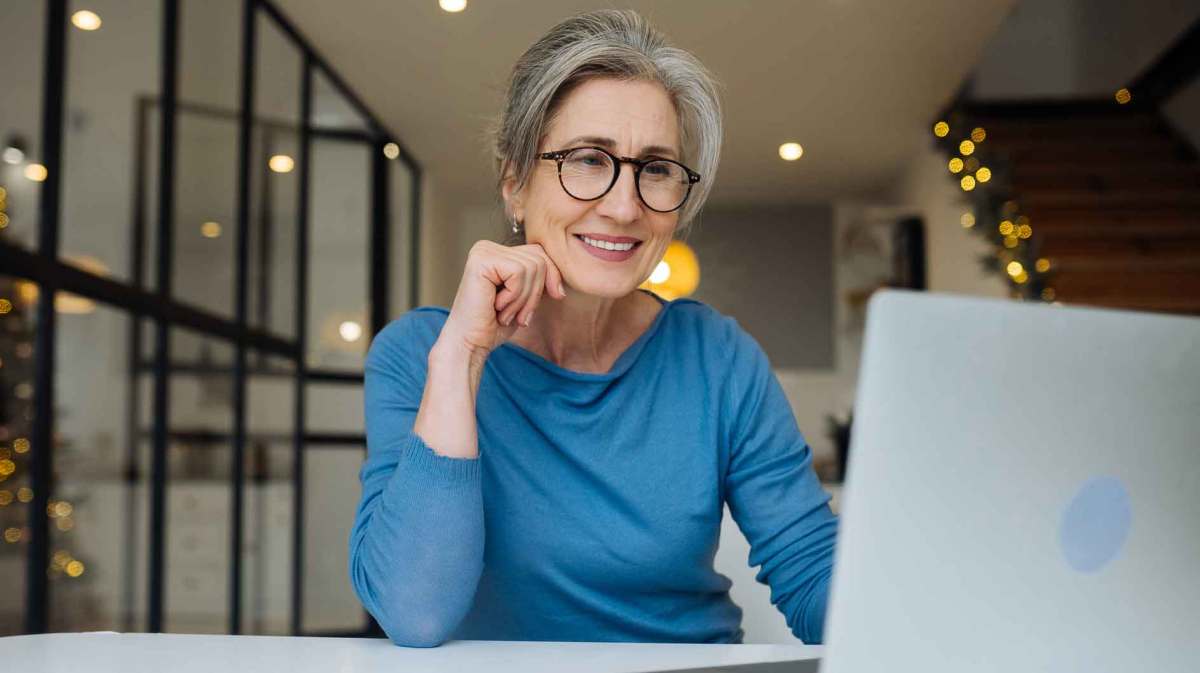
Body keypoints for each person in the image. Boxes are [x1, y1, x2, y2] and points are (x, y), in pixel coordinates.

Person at [348, 9, 837, 648]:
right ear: (515, 185)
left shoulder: (719, 358)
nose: (625, 206)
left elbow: (815, 577)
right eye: (587, 159)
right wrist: (463, 359)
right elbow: (414, 613)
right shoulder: (420, 354)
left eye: (656, 168)